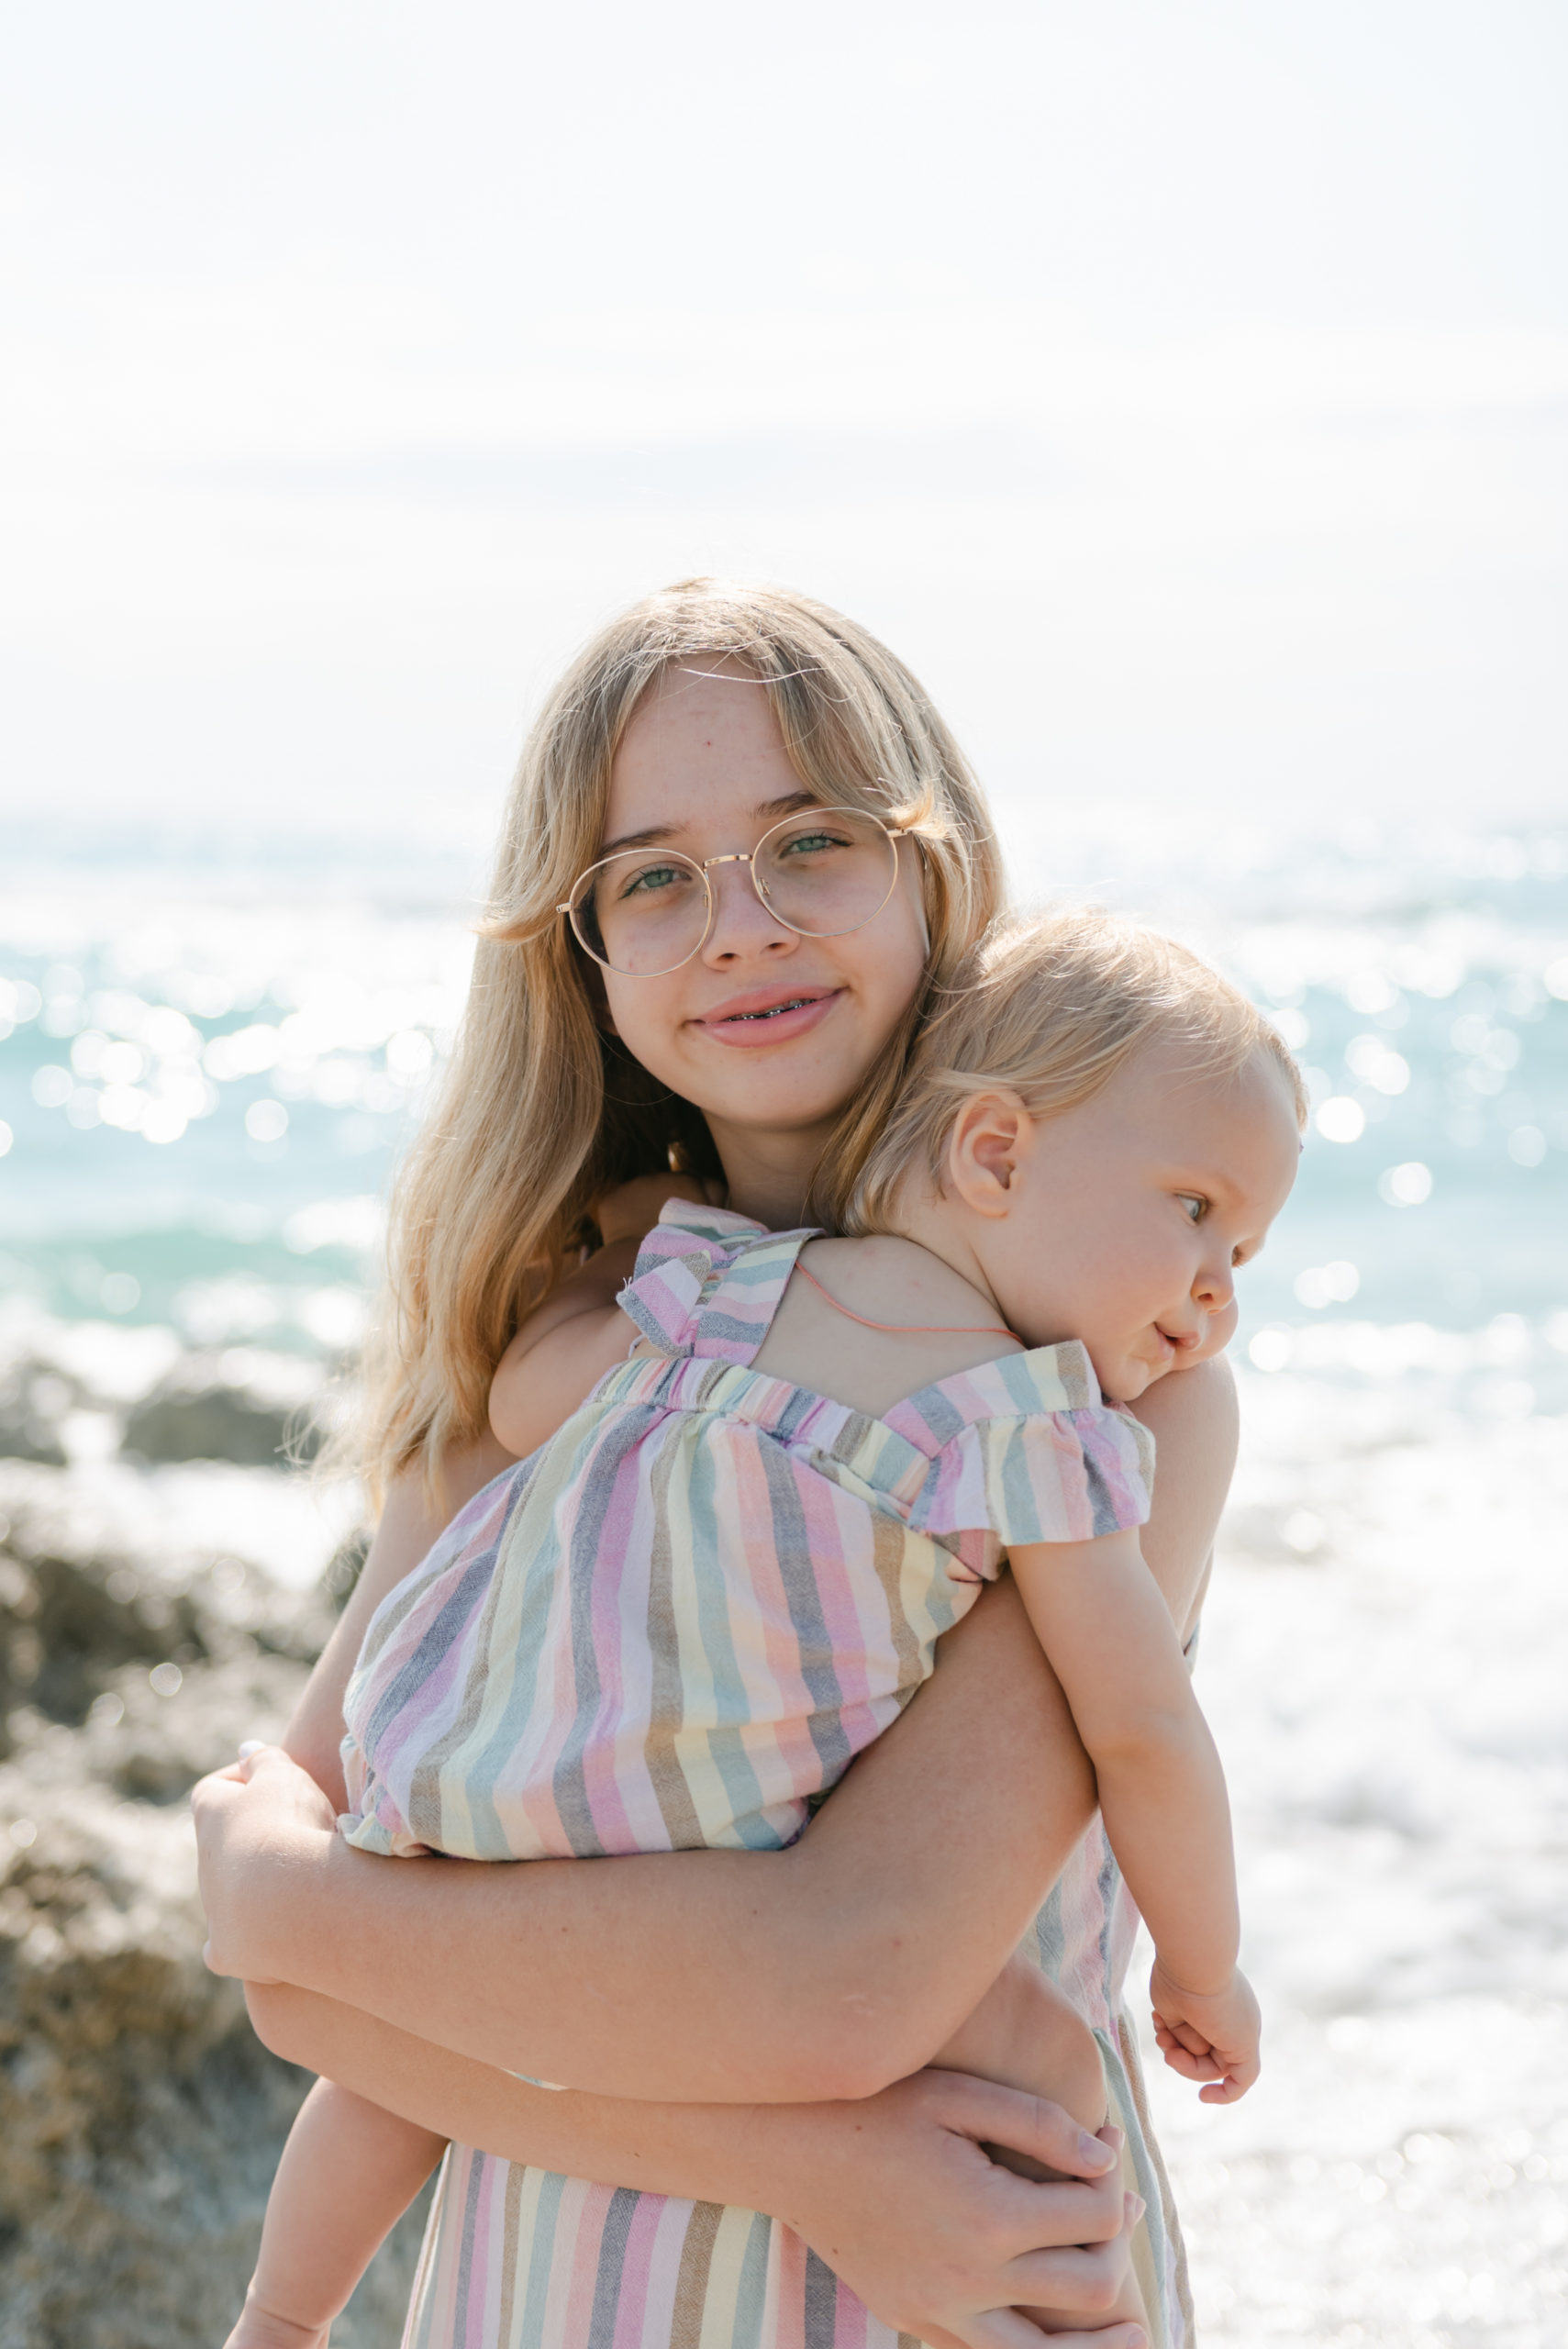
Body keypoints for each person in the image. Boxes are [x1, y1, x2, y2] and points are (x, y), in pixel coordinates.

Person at [194, 581, 1245, 2349]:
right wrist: (817, 2167)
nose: (737, 925)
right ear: (582, 950)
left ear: (937, 865)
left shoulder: (1098, 1397)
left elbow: (845, 1979)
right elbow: (296, 1986)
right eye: (654, 877)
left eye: (810, 840)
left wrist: (297, 1902)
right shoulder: (556, 1343)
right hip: (559, 2286)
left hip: (948, 2288)